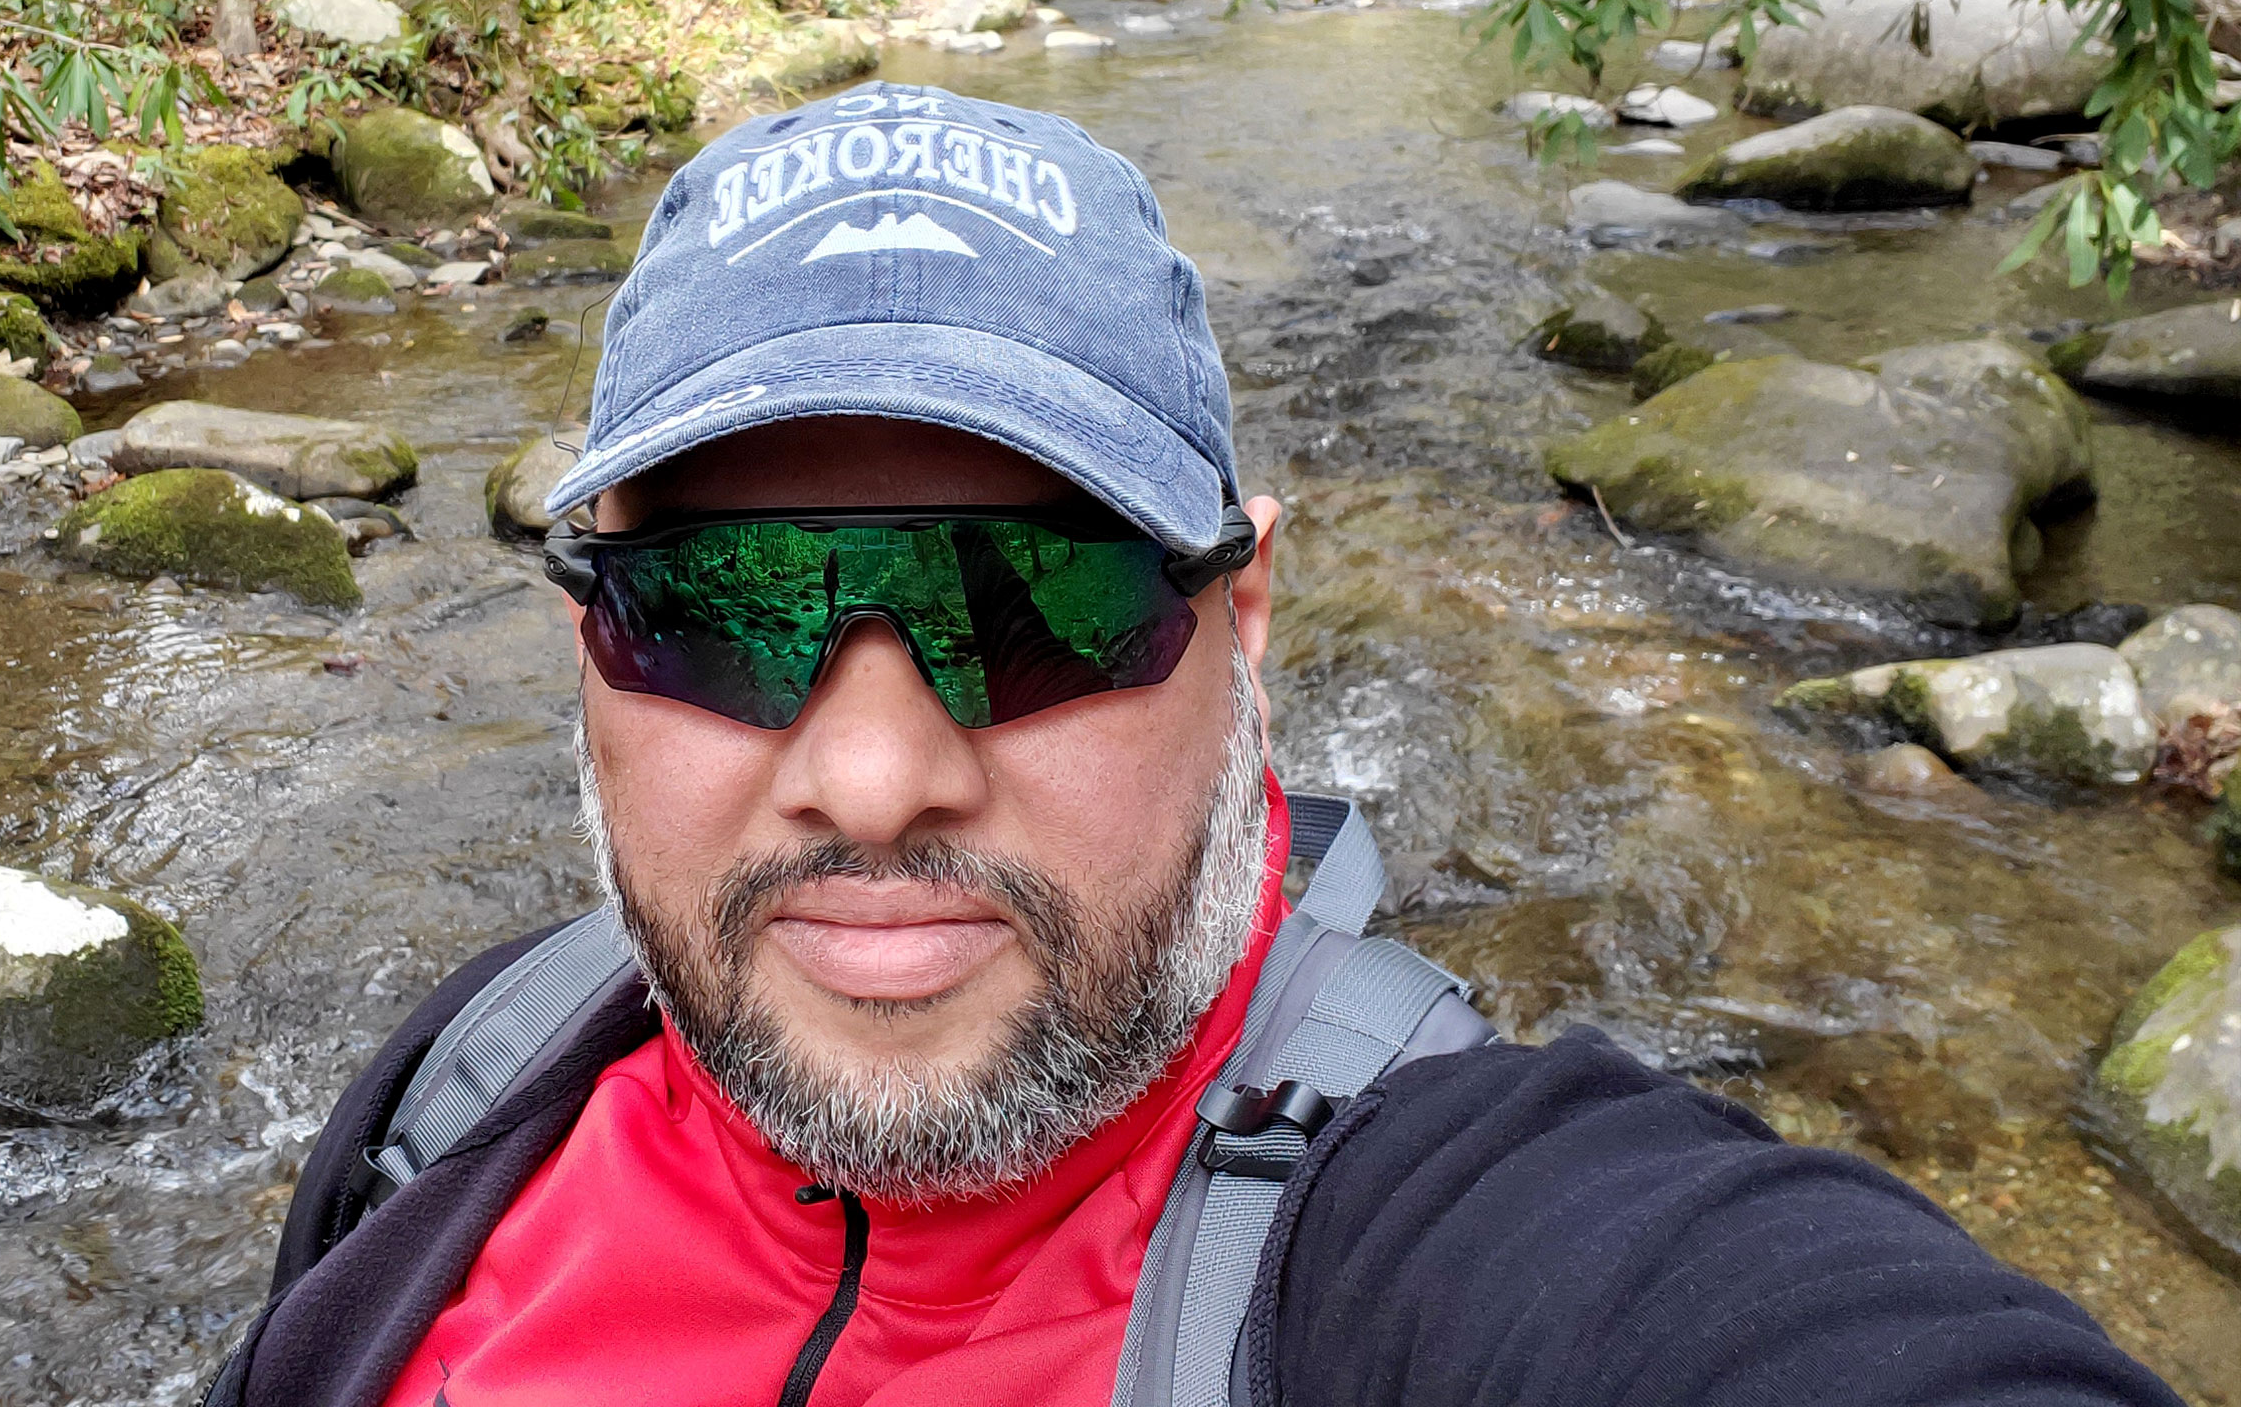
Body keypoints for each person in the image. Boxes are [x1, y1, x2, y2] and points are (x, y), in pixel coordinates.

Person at [212, 84, 2183, 1407]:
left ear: (1241, 628)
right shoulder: (462, 1105)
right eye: (728, 611)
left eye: (1040, 606)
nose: (876, 780)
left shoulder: (1428, 1240)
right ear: (588, 649)